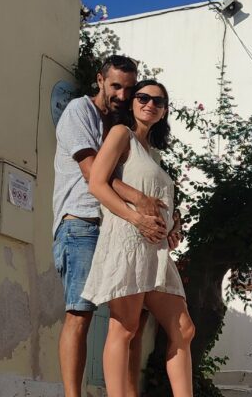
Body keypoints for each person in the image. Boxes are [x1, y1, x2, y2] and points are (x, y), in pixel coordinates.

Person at [52, 55, 170, 397]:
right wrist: (140, 202)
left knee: (131, 321)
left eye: (128, 88)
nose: (121, 93)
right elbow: (94, 174)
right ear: (100, 80)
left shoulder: (120, 125)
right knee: (80, 313)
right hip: (82, 223)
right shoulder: (79, 111)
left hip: (115, 228)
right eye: (115, 85)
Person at [82, 79, 195, 397]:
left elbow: (159, 200)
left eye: (158, 101)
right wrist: (135, 218)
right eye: (143, 97)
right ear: (132, 102)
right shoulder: (122, 135)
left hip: (156, 251)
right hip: (128, 241)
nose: (150, 104)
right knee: (124, 326)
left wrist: (174, 226)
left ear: (164, 111)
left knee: (183, 329)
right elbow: (98, 184)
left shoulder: (153, 154)